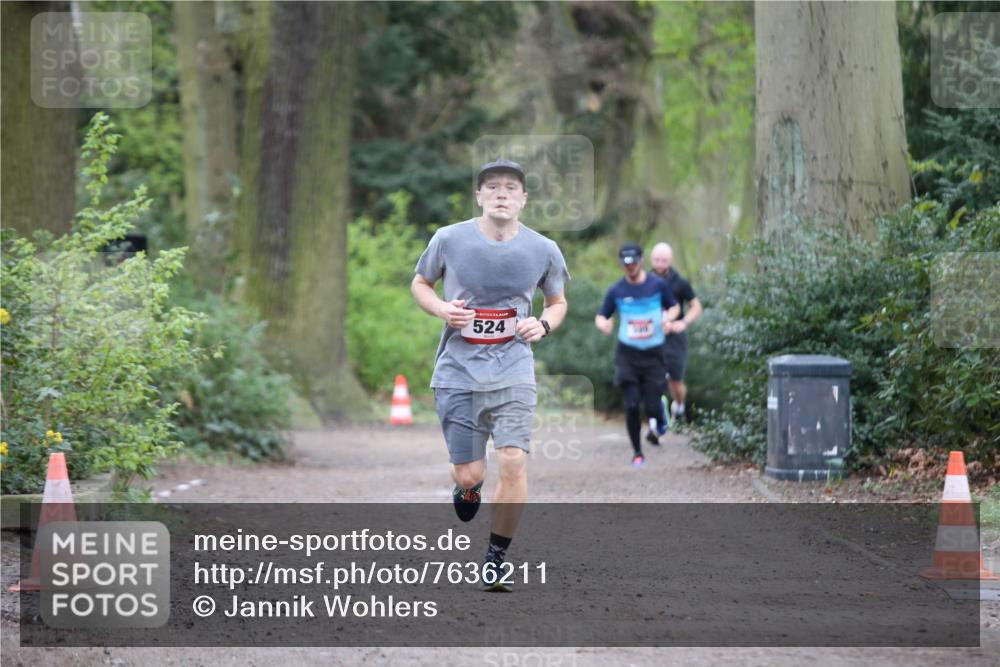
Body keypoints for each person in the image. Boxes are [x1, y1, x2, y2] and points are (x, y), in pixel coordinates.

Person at [411, 159, 569, 591]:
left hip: (514, 366)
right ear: (479, 195)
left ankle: (496, 557)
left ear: (523, 199)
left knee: (514, 459)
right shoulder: (449, 239)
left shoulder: (543, 248)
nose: (502, 192)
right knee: (470, 474)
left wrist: (544, 324)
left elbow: (557, 302)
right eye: (493, 186)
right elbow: (421, 283)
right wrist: (442, 308)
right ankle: (467, 488)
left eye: (511, 187)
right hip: (458, 370)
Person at [595, 243, 679, 467]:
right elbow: (601, 315)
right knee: (631, 404)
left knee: (651, 407)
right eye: (626, 264)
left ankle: (660, 412)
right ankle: (638, 453)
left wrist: (668, 318)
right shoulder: (617, 290)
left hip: (654, 354)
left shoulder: (657, 285)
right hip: (628, 355)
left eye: (633, 263)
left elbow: (674, 307)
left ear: (641, 261)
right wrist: (604, 324)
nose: (630, 267)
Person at [649, 242, 702, 422]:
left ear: (670, 260)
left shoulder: (680, 283)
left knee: (675, 381)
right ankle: (657, 416)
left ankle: (679, 406)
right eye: (657, 260)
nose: (660, 264)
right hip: (651, 336)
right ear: (651, 259)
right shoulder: (644, 281)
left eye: (663, 260)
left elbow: (696, 307)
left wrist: (683, 323)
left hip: (674, 338)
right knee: (653, 377)